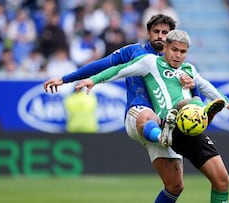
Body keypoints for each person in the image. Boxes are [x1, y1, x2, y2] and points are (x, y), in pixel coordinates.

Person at [75, 29, 229, 203]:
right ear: (166, 47)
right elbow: (120, 69)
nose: (178, 55)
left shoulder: (189, 69)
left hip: (190, 127)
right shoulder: (150, 63)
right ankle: (197, 115)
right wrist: (93, 80)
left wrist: (227, 102)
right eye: (174, 50)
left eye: (183, 51)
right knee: (187, 105)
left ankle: (203, 113)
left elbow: (207, 86)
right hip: (169, 120)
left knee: (222, 181)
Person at [44, 14, 193, 203]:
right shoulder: (135, 52)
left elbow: (194, 93)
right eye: (156, 31)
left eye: (165, 32)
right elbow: (103, 64)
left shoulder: (179, 64)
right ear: (148, 33)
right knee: (148, 117)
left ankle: (164, 136)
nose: (160, 36)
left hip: (165, 122)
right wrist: (65, 79)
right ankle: (161, 136)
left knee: (175, 186)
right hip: (138, 112)